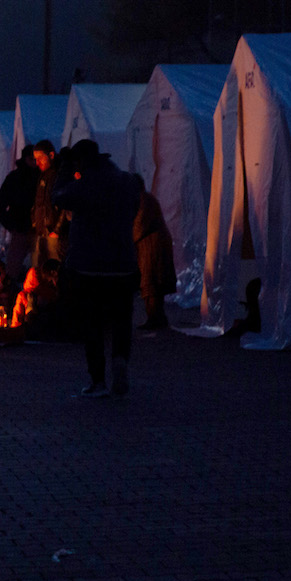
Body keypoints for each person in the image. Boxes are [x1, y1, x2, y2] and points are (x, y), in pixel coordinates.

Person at [52, 140, 140, 398]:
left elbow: (57, 197)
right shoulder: (127, 182)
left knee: (92, 325)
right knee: (122, 319)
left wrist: (65, 168)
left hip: (88, 267)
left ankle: (98, 381)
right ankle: (120, 360)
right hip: (123, 263)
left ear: (81, 162)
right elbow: (134, 209)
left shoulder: (83, 186)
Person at [132, 174, 177, 329]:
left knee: (151, 281)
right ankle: (156, 317)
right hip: (151, 245)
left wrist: (128, 239)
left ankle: (155, 318)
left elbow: (140, 225)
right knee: (151, 281)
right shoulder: (145, 199)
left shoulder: (144, 201)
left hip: (152, 246)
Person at [0, 146, 39, 286]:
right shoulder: (15, 178)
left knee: (38, 266)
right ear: (26, 159)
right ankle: (9, 296)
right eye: (33, 159)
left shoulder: (42, 176)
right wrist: (11, 224)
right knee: (14, 266)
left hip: (38, 229)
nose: (36, 163)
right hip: (21, 228)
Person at [31, 140, 67, 269]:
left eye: (40, 158)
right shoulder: (43, 175)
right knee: (38, 266)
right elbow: (38, 202)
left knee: (55, 267)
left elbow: (64, 205)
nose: (37, 162)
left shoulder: (60, 175)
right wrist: (35, 221)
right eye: (36, 159)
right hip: (41, 230)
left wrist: (57, 229)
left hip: (53, 232)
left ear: (51, 155)